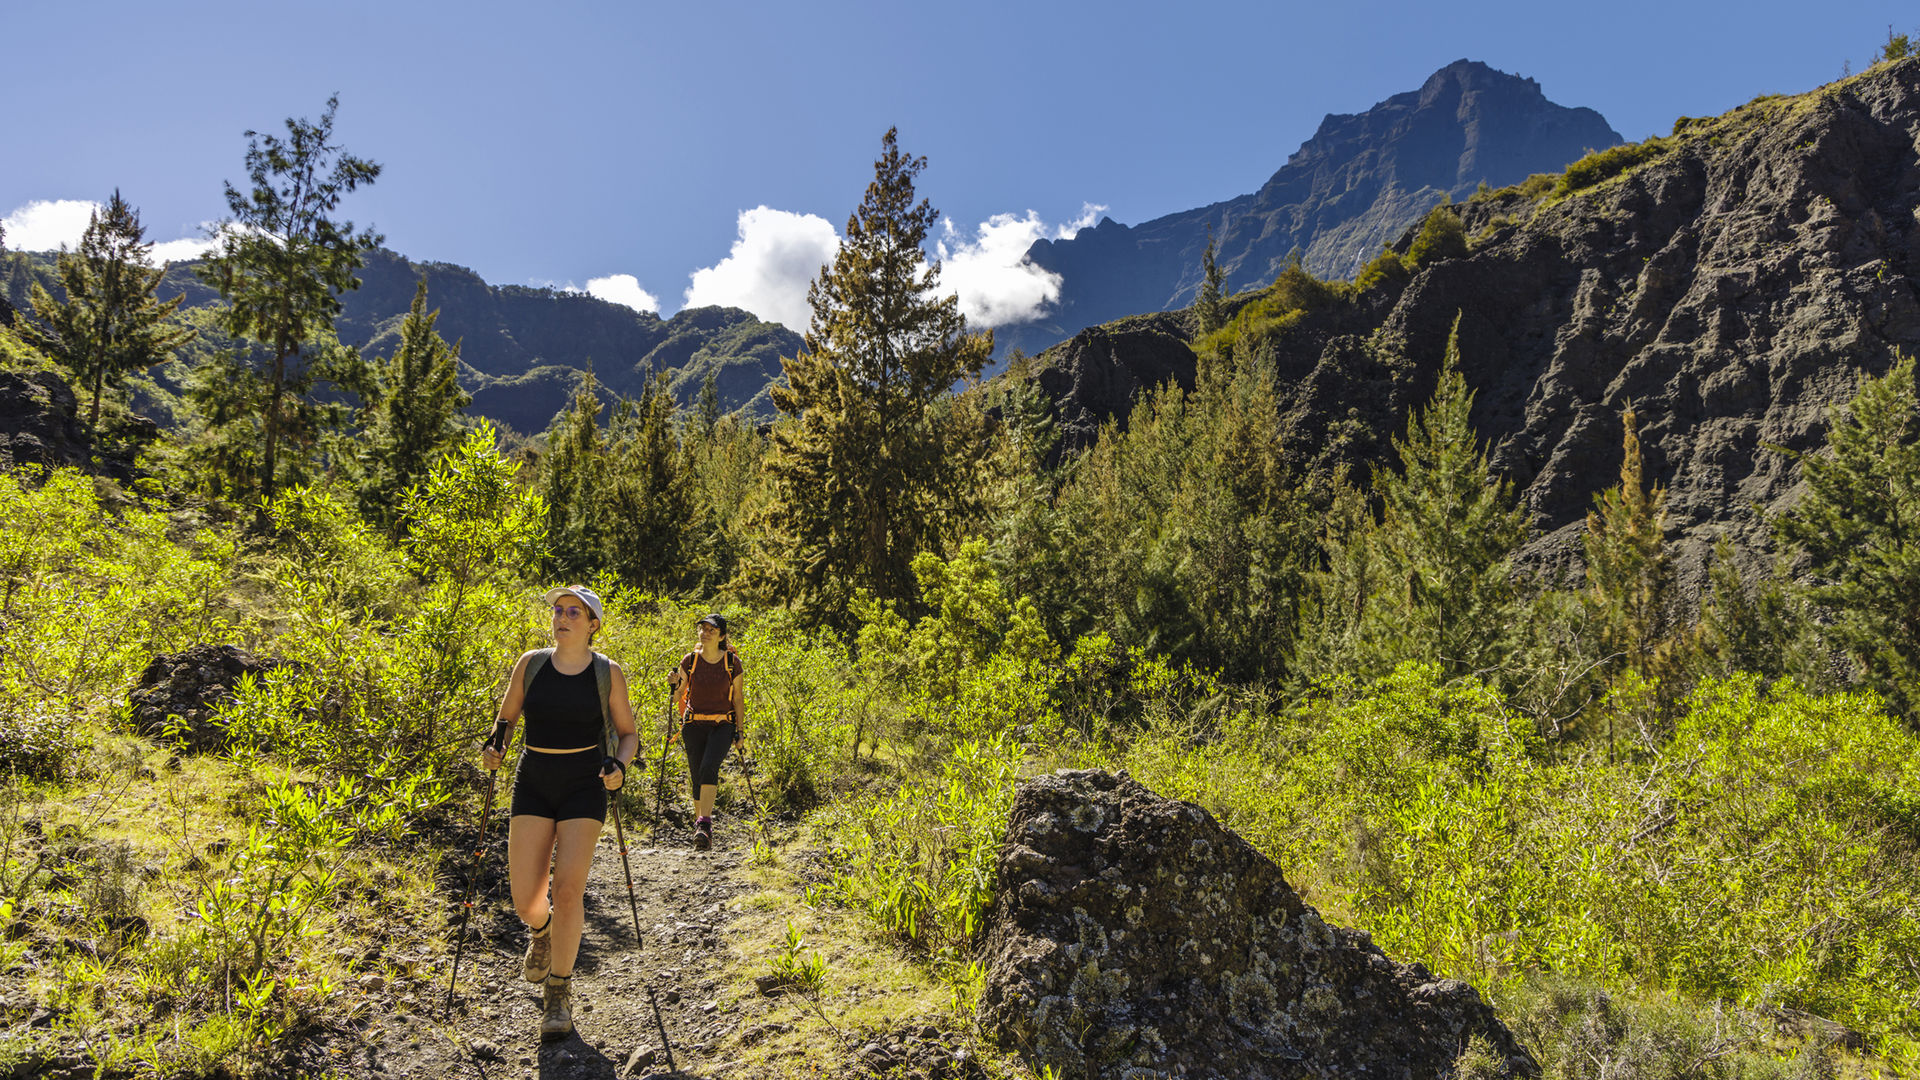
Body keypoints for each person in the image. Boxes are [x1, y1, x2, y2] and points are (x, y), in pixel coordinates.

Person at [481, 585, 637, 1041]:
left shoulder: (608, 673)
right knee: (525, 900)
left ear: (592, 626)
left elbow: (628, 734)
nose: (562, 617)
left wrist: (620, 768)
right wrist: (495, 748)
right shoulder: (530, 665)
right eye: (558, 610)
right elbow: (505, 721)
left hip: (584, 783)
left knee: (568, 890)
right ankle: (542, 931)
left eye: (574, 612)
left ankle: (559, 993)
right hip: (533, 778)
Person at [666, 612, 745, 851]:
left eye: (711, 629)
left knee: (709, 766)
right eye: (703, 628)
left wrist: (740, 732)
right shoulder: (689, 661)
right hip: (693, 724)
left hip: (723, 724)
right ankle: (700, 829)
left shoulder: (732, 663)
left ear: (721, 635)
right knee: (696, 774)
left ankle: (705, 823)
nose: (705, 632)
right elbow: (679, 695)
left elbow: (739, 699)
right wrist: (674, 684)